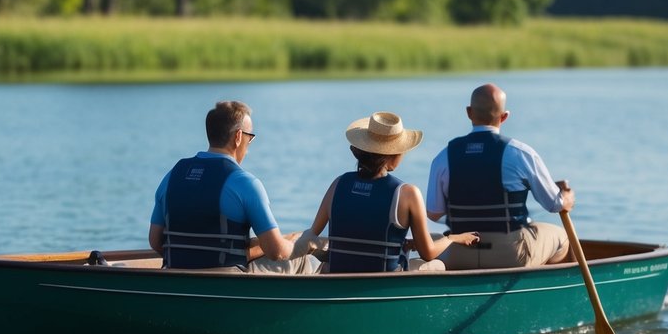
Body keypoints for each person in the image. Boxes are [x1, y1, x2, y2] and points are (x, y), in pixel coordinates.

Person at [149, 100, 317, 273]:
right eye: (250, 137)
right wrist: (302, 244)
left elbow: (155, 241)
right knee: (304, 261)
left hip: (175, 275)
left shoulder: (171, 176)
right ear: (238, 137)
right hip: (227, 282)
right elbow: (277, 252)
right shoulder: (245, 183)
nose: (249, 145)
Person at [304, 111, 479, 273]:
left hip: (340, 277)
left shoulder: (338, 184)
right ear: (393, 154)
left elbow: (312, 234)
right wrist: (453, 238)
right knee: (437, 264)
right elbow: (428, 252)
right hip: (382, 282)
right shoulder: (408, 193)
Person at [425, 83, 575, 269]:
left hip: (459, 253)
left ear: (469, 112)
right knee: (562, 237)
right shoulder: (521, 153)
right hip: (509, 254)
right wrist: (567, 196)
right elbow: (554, 204)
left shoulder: (443, 156)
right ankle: (531, 284)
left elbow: (433, 213)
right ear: (504, 117)